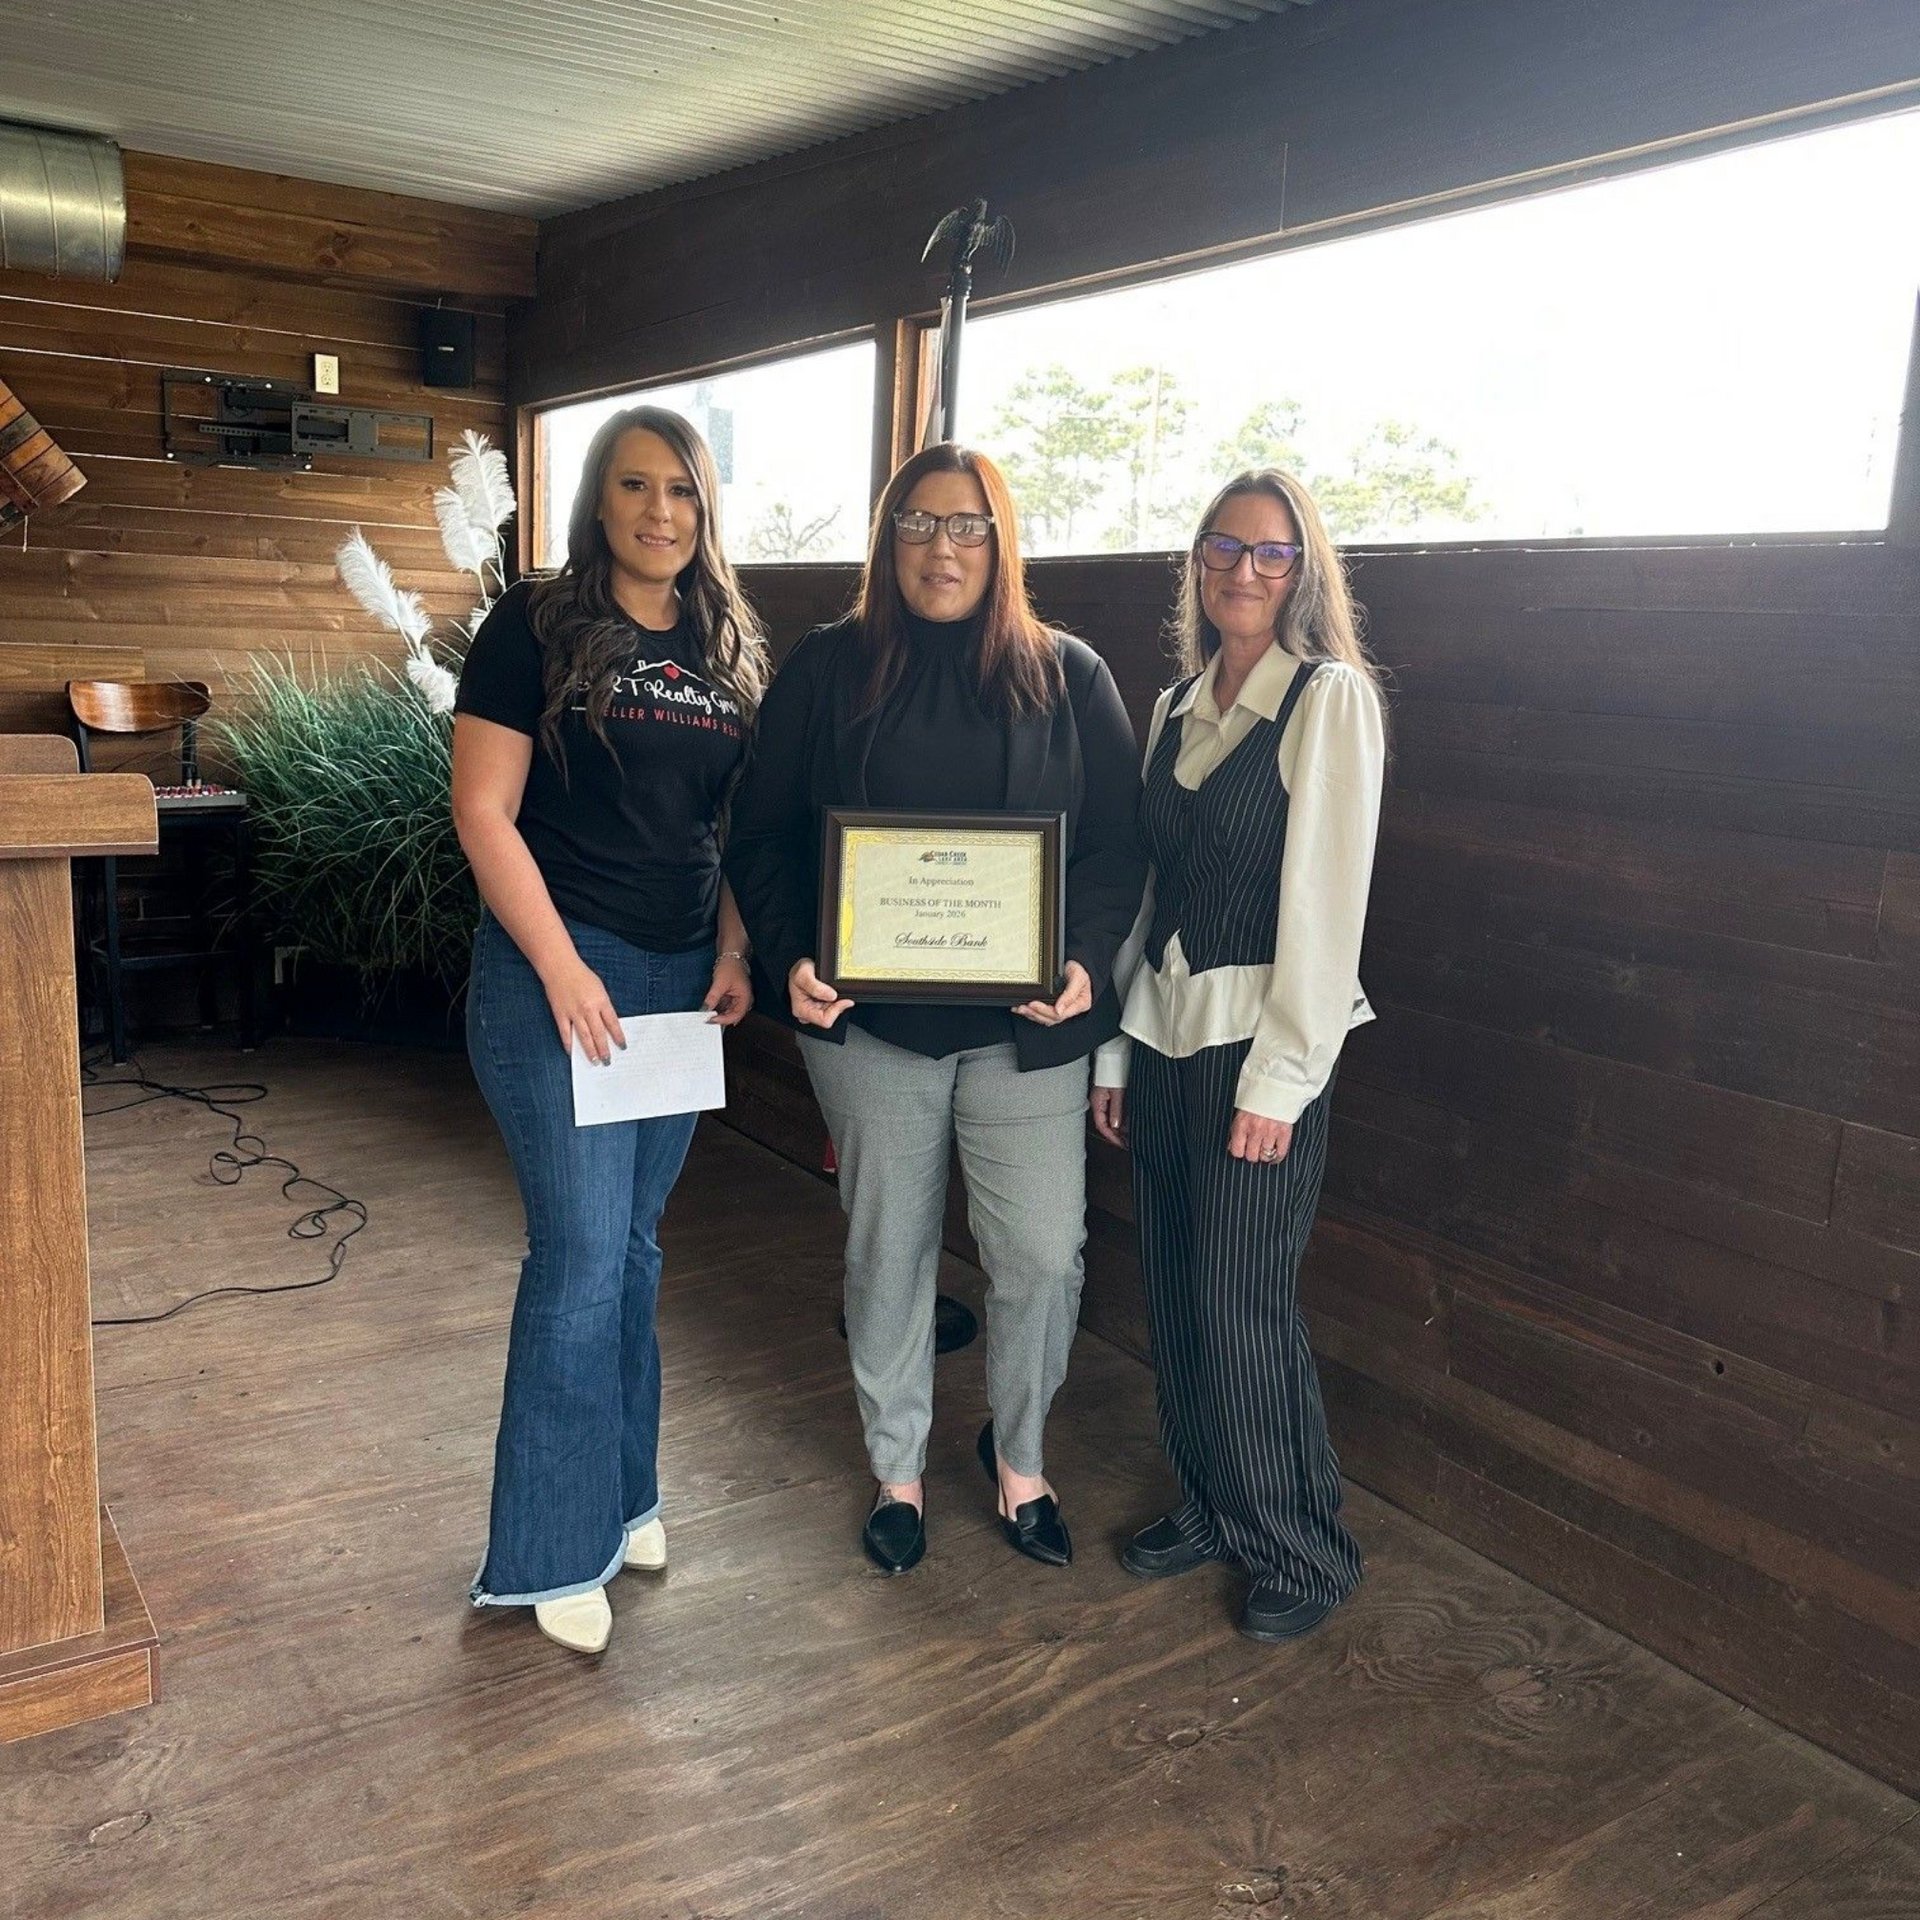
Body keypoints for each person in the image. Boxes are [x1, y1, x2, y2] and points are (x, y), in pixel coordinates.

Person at [726, 443, 1145, 1575]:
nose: (942, 547)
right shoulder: (826, 670)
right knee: (888, 1253)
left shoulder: (1071, 675)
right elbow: (759, 836)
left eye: (967, 526)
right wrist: (791, 956)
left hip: (1031, 1033)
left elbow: (1116, 848)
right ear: (886, 537)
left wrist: (1089, 964)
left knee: (1043, 1259)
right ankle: (898, 1468)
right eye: (917, 523)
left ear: (1001, 542)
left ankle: (1019, 1457)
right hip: (870, 1034)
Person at [451, 406, 767, 1653]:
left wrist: (735, 946)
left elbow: (733, 826)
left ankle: (626, 1495)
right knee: (579, 1258)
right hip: (554, 979)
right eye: (635, 487)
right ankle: (544, 1553)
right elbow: (486, 813)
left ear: (705, 507)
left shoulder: (729, 641)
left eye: (681, 490)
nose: (659, 512)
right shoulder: (531, 623)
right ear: (598, 500)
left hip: (682, 982)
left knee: (633, 1251)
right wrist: (565, 967)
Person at [1091, 468, 1385, 1644]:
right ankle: (1215, 1505)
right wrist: (1118, 1055)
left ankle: (1304, 1547)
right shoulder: (1171, 706)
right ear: (1196, 564)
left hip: (1259, 1058)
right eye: (1225, 548)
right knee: (1173, 1288)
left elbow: (1326, 906)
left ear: (1303, 571)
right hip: (1163, 1044)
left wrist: (1281, 1081)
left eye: (1271, 554)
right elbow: (1152, 893)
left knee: (1241, 1304)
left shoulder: (1328, 700)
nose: (1245, 572)